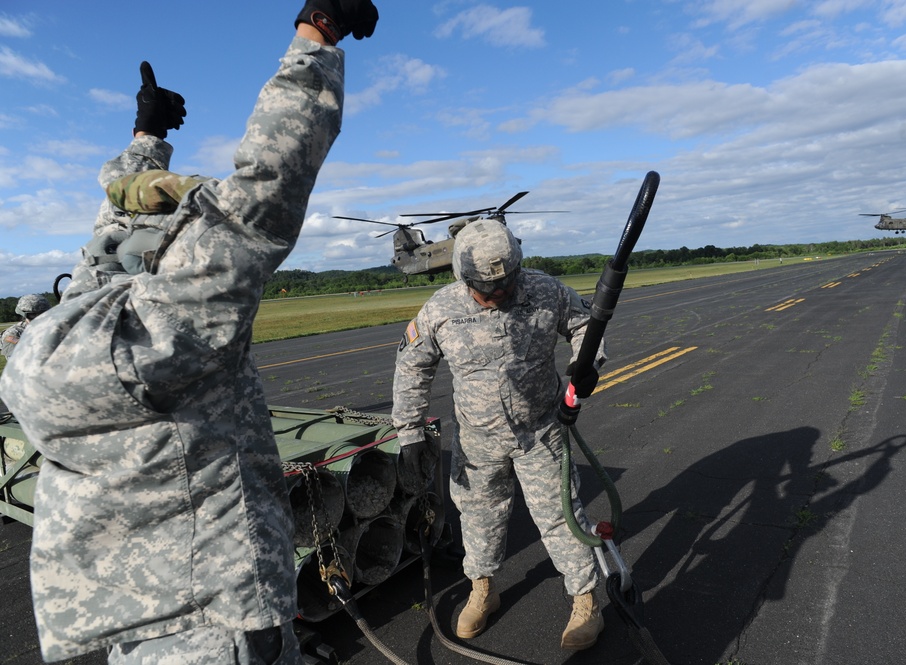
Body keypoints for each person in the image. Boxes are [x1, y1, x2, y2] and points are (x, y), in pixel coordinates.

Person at [0, 2, 377, 663]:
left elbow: (107, 236)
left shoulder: (52, 338)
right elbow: (266, 185)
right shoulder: (177, 331)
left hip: (130, 628)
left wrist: (145, 139)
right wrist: (315, 37)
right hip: (221, 618)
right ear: (171, 253)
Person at [392, 218, 607, 651]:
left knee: (562, 514)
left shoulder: (547, 292)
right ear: (461, 275)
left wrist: (588, 364)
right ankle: (483, 590)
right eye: (486, 289)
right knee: (477, 516)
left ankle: (586, 601)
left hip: (541, 432)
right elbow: (412, 366)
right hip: (476, 440)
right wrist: (410, 431)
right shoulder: (441, 308)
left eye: (506, 285)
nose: (497, 295)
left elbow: (587, 327)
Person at [1, 294, 52, 359]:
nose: (38, 318)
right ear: (23, 314)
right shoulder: (14, 333)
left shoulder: (53, 328)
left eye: (43, 314)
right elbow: (18, 361)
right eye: (32, 315)